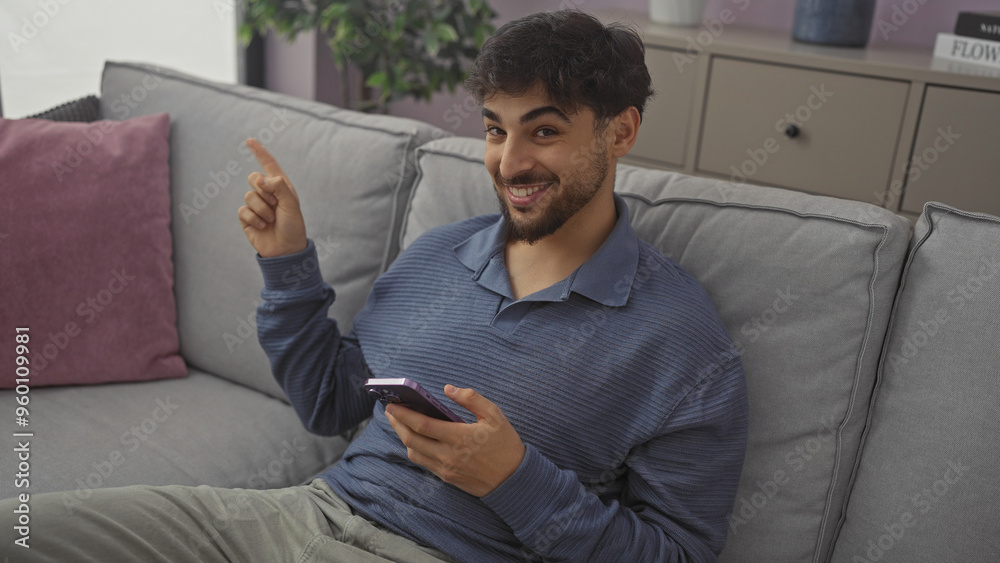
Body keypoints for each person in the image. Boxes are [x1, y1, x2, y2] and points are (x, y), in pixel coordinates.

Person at [2, 10, 747, 562]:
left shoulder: (684, 347)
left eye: (544, 131)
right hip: (297, 518)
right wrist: (287, 261)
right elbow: (332, 400)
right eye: (495, 129)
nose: (509, 160)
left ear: (619, 132)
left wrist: (514, 478)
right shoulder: (440, 254)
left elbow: (675, 554)